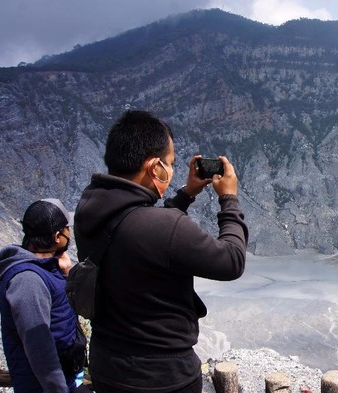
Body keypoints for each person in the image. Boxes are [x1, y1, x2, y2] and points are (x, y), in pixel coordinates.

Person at [74, 110, 248, 392]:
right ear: (155, 167)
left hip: (107, 366)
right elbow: (232, 260)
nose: (171, 169)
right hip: (162, 377)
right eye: (169, 163)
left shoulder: (88, 212)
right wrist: (229, 199)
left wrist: (186, 194)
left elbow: (140, 230)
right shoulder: (164, 226)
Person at [0, 198, 88, 392]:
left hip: (66, 377)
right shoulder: (27, 280)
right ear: (57, 237)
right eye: (66, 228)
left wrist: (64, 275)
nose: (69, 233)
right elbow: (39, 347)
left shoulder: (45, 268)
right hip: (46, 386)